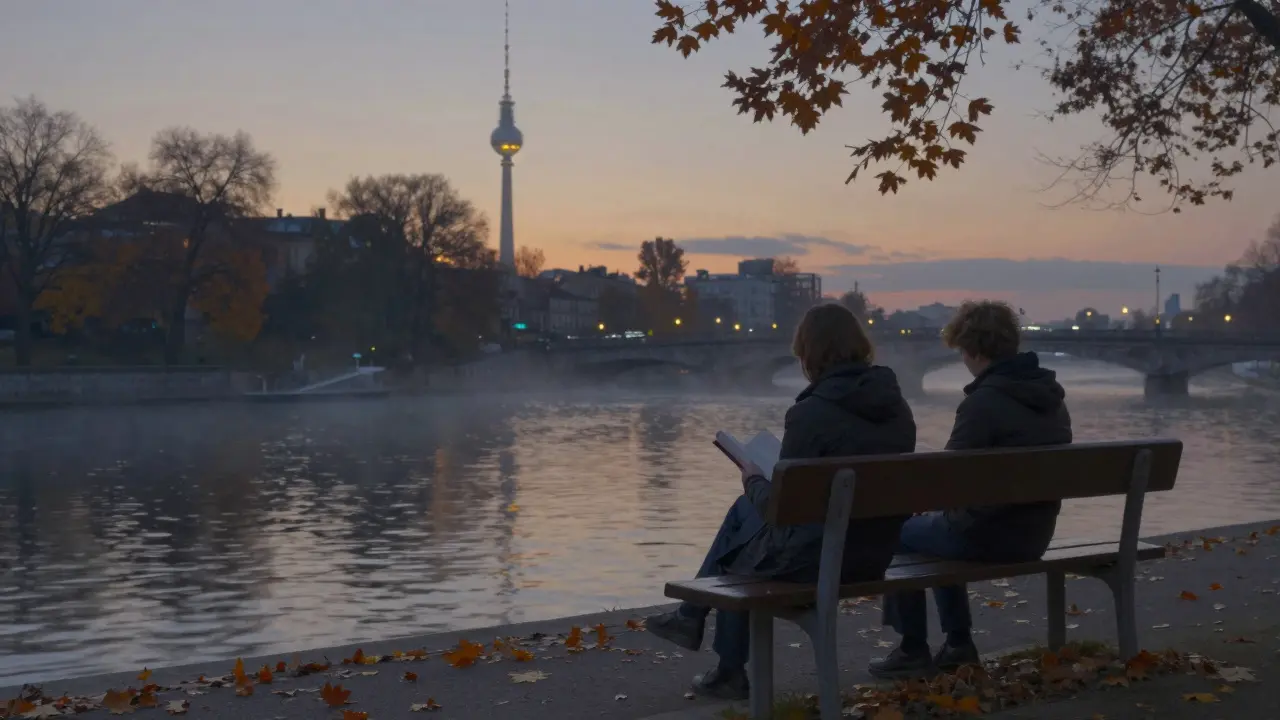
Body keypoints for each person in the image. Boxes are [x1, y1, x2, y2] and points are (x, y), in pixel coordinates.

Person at [646, 303, 917, 700]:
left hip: (818, 561)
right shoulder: (897, 406)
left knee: (737, 545)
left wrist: (752, 477)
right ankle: (692, 618)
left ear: (809, 352)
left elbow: (779, 508)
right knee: (744, 520)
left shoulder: (811, 413)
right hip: (873, 553)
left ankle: (723, 661)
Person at [869, 300, 1072, 679]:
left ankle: (916, 646)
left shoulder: (984, 402)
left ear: (975, 350)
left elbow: (949, 478)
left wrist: (912, 502)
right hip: (1035, 533)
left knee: (895, 531)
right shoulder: (1052, 399)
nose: (962, 359)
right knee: (944, 522)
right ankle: (957, 643)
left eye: (962, 351)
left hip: (987, 537)